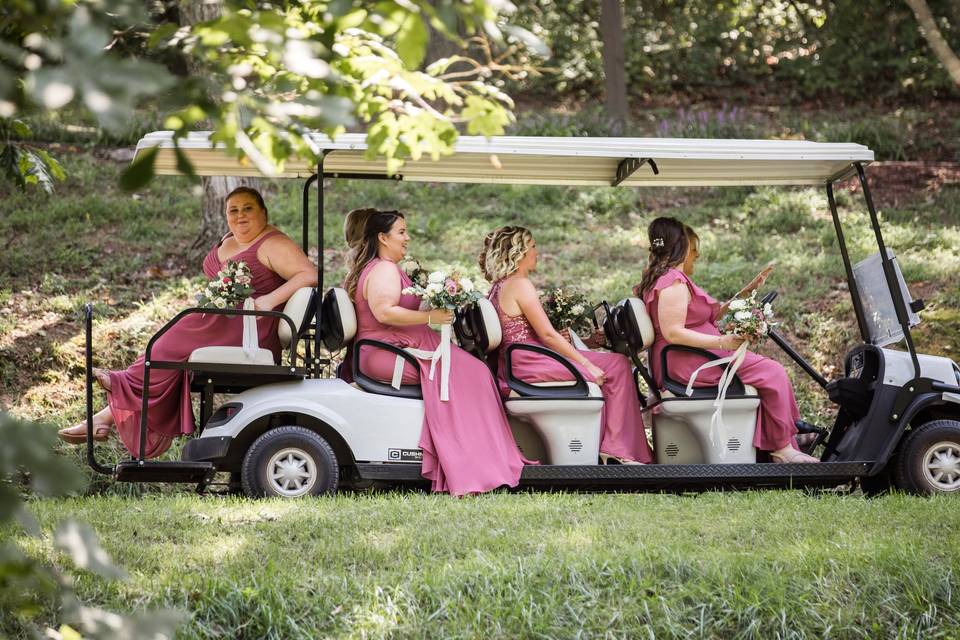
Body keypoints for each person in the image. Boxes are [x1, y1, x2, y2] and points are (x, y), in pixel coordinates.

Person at [58, 187, 318, 457]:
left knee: (161, 351)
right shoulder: (232, 239)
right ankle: (104, 418)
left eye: (248, 208)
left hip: (249, 330)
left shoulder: (273, 243)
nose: (241, 215)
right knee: (165, 362)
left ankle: (117, 393)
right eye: (233, 210)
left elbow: (309, 274)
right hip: (223, 323)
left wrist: (270, 299)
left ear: (263, 212)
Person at [343, 208, 533, 496]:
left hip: (397, 347)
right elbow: (384, 312)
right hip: (389, 352)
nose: (407, 238)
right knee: (478, 373)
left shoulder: (382, 267)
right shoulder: (383, 268)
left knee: (475, 371)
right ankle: (472, 462)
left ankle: (476, 456)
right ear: (382, 237)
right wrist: (429, 318)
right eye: (401, 232)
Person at [635, 216, 817, 463]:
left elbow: (704, 314)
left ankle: (781, 441)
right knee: (772, 372)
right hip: (688, 363)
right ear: (681, 245)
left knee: (766, 372)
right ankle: (781, 449)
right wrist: (723, 342)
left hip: (690, 358)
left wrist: (745, 293)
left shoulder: (664, 278)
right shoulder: (673, 283)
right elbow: (673, 332)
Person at [480, 226, 654, 465]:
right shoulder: (520, 284)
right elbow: (547, 335)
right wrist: (586, 364)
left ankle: (613, 446)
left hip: (521, 360)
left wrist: (586, 346)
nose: (536, 252)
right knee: (618, 364)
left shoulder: (499, 286)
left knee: (613, 363)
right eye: (533, 247)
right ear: (519, 253)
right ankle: (617, 449)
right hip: (530, 362)